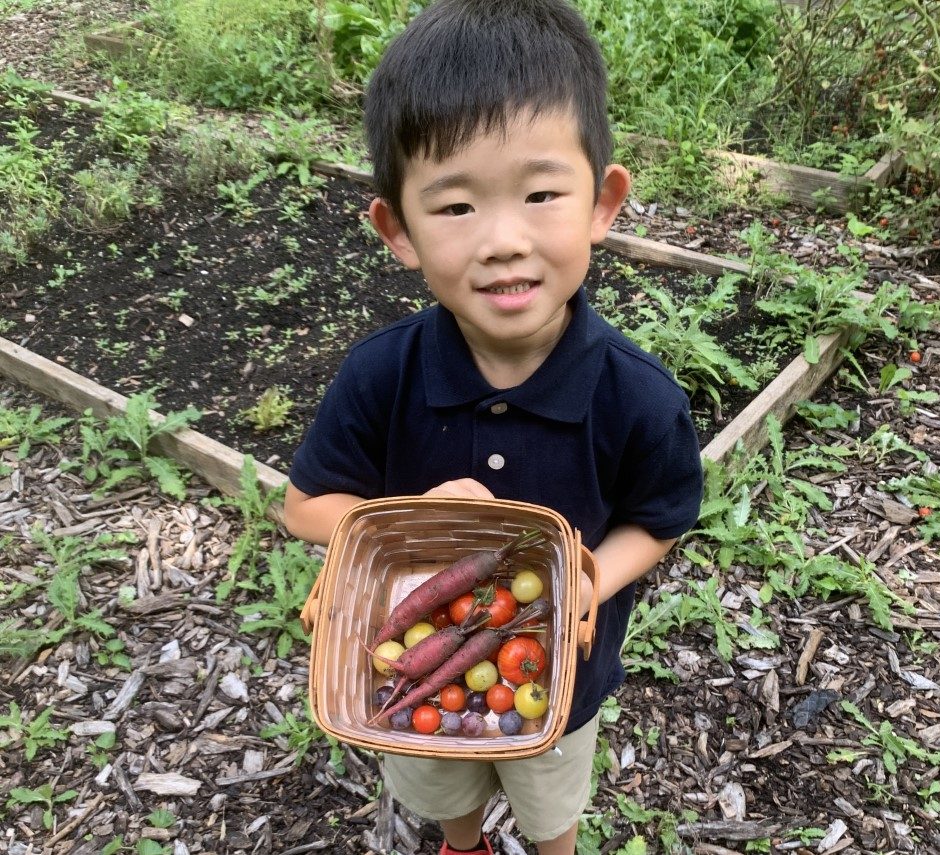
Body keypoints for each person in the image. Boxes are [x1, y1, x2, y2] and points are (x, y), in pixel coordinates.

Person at [284, 1, 703, 852]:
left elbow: (659, 518)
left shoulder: (639, 397)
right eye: (457, 207)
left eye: (542, 193)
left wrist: (590, 579)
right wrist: (399, 524)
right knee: (439, 772)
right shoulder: (381, 373)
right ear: (396, 228)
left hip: (561, 671)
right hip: (418, 654)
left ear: (603, 202)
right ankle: (464, 841)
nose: (504, 240)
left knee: (552, 802)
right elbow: (305, 505)